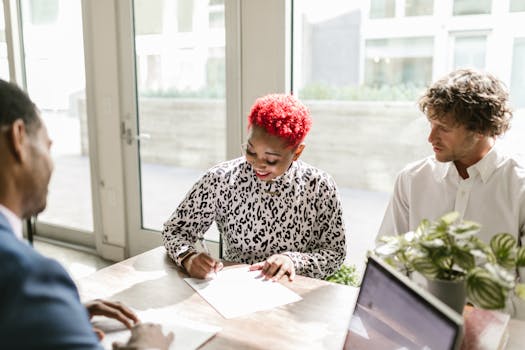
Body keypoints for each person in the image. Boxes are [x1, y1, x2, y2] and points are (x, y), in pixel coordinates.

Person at [0, 79, 173, 349]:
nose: (51, 163)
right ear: (18, 138)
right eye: (47, 146)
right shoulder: (29, 277)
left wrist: (54, 317)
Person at [162, 93, 346, 281]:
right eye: (251, 151)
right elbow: (175, 231)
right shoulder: (221, 179)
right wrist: (189, 258)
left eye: (271, 159)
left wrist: (293, 260)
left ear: (297, 152)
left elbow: (335, 253)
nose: (257, 164)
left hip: (295, 295)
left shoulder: (319, 186)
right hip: (235, 291)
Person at [377, 68, 525, 245]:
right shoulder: (411, 180)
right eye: (431, 125)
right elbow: (386, 257)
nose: (431, 138)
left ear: (480, 129)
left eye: (444, 128)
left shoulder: (519, 188)